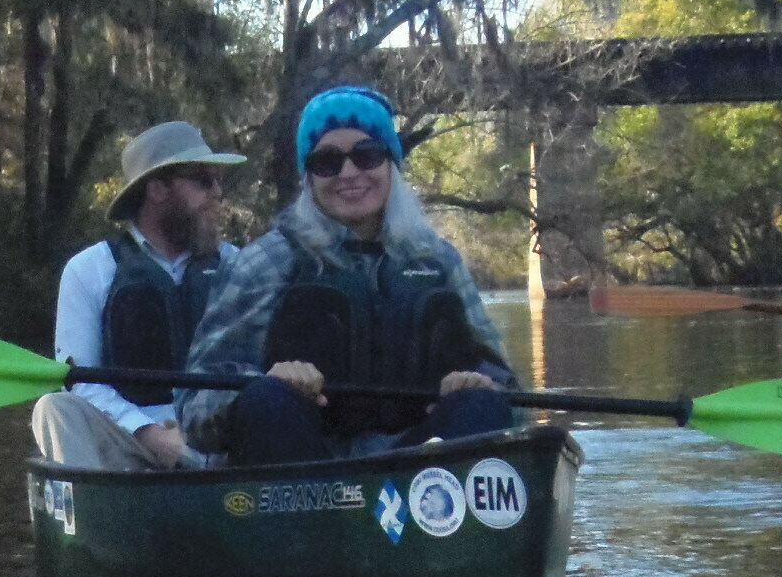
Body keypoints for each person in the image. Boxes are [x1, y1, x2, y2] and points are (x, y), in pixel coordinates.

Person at [178, 86, 517, 465]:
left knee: (483, 404)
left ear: (391, 163)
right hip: (303, 465)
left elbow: (505, 384)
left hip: (419, 470)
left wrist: (474, 383)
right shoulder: (267, 261)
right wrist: (266, 383)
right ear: (309, 176)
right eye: (327, 162)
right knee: (267, 399)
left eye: (367, 156)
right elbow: (196, 404)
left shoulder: (439, 260)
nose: (350, 173)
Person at [29, 121, 245, 471]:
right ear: (157, 189)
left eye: (220, 181)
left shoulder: (238, 265)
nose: (217, 192)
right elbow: (82, 384)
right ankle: (99, 519)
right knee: (54, 408)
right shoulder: (89, 270)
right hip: (130, 442)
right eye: (204, 180)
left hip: (221, 436)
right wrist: (149, 434)